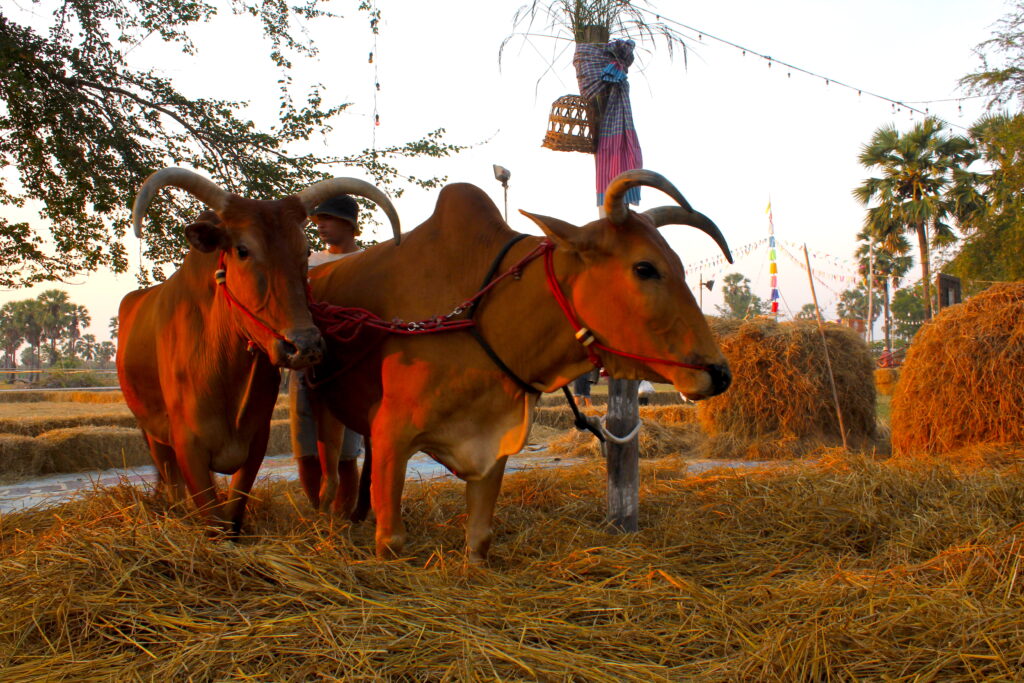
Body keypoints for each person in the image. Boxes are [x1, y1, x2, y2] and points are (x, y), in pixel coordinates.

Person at [290, 194, 365, 516]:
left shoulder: (368, 263)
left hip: (350, 368)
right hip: (305, 366)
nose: (320, 225)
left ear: (349, 224)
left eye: (328, 219)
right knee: (305, 450)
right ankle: (318, 515)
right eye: (317, 219)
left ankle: (344, 517)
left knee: (347, 454)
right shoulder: (306, 263)